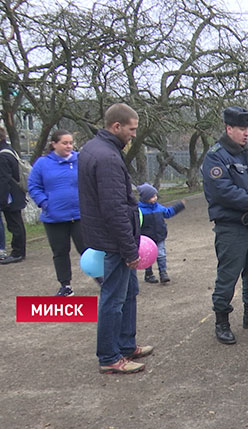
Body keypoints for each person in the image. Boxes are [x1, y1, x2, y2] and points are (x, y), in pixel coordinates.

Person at [78, 103, 153, 374]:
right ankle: (110, 357)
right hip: (115, 240)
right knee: (113, 297)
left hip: (110, 237)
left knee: (129, 291)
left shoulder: (93, 148)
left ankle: (126, 343)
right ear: (116, 126)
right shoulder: (107, 157)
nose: (134, 135)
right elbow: (114, 208)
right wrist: (129, 249)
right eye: (131, 130)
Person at [202, 106, 248, 345]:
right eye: (242, 128)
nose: (246, 133)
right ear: (229, 128)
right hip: (231, 226)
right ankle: (221, 321)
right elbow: (221, 190)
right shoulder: (216, 156)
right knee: (228, 275)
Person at [27, 130, 86, 295]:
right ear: (54, 144)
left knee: (87, 250)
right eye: (64, 143)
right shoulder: (42, 164)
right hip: (54, 217)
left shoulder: (81, 160)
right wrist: (45, 203)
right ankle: (66, 285)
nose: (69, 146)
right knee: (60, 252)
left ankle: (101, 278)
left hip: (79, 215)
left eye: (70, 143)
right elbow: (33, 186)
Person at [137, 183, 186, 284]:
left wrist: (179, 206)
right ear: (145, 198)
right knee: (148, 256)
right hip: (146, 240)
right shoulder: (139, 210)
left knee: (161, 254)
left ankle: (163, 273)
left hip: (159, 236)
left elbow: (168, 212)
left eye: (155, 196)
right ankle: (149, 274)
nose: (155, 198)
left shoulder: (158, 207)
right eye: (152, 196)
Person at [0, 126, 26, 264]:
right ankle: (19, 250)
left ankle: (18, 252)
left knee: (14, 224)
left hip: (10, 195)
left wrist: (2, 200)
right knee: (17, 223)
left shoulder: (2, 155)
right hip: (16, 192)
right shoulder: (9, 150)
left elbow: (3, 179)